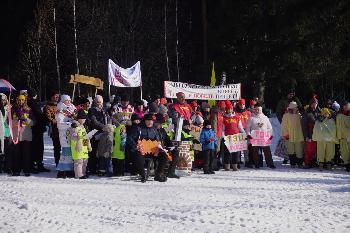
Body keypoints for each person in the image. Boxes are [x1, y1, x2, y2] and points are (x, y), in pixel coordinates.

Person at [126, 113, 167, 183]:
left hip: (152, 150)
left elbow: (158, 139)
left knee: (163, 155)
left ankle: (158, 174)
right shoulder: (138, 128)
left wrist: (160, 145)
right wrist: (135, 146)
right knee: (138, 156)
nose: (150, 122)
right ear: (144, 121)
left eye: (151, 121)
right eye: (148, 120)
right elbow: (129, 138)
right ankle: (143, 174)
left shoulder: (154, 129)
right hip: (141, 150)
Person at [246, 103, 276, 169]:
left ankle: (270, 163)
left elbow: (270, 128)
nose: (257, 111)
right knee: (255, 152)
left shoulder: (265, 118)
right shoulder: (251, 118)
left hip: (264, 138)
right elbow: (247, 128)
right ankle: (257, 164)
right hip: (255, 138)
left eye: (259, 109)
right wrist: (249, 135)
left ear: (261, 110)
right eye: (256, 109)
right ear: (254, 110)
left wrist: (271, 135)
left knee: (267, 151)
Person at [11, 95, 34, 176]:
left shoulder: (29, 110)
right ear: (17, 100)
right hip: (16, 134)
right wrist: (16, 120)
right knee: (16, 153)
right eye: (19, 100)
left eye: (23, 100)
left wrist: (25, 118)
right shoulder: (13, 109)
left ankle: (26, 170)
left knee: (26, 153)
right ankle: (16, 170)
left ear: (25, 100)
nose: (21, 101)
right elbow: (9, 122)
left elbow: (32, 123)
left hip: (26, 134)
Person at [87, 95, 111, 175]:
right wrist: (104, 127)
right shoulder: (91, 110)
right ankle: (92, 169)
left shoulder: (104, 110)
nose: (99, 104)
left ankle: (101, 168)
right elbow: (94, 121)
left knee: (101, 151)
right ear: (94, 102)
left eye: (100, 102)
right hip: (95, 133)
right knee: (93, 152)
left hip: (104, 134)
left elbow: (109, 118)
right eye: (97, 102)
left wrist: (109, 126)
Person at [27, 90, 49, 173]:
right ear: (35, 96)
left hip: (33, 128)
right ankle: (36, 165)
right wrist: (46, 120)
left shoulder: (29, 103)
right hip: (37, 128)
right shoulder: (34, 104)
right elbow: (39, 115)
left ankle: (35, 164)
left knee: (34, 147)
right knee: (38, 147)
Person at [56, 95, 77, 178]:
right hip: (64, 134)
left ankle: (70, 170)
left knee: (71, 154)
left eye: (69, 100)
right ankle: (62, 171)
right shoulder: (60, 110)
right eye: (66, 101)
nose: (68, 102)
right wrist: (70, 124)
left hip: (72, 134)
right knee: (66, 153)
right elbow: (60, 124)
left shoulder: (72, 109)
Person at [154, 114, 180, 179]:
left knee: (176, 152)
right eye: (158, 123)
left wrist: (172, 146)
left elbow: (167, 140)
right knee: (164, 155)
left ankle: (171, 172)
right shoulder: (153, 130)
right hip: (155, 149)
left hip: (162, 147)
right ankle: (159, 173)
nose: (159, 125)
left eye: (160, 123)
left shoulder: (162, 130)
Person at [222, 101, 245, 171]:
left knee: (236, 153)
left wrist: (244, 133)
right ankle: (227, 166)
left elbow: (240, 126)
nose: (229, 110)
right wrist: (223, 137)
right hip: (227, 137)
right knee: (227, 153)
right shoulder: (224, 118)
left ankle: (235, 166)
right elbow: (223, 129)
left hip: (235, 137)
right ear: (226, 109)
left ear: (232, 109)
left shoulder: (237, 117)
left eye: (230, 109)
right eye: (228, 109)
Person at [281, 101, 305, 168]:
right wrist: (286, 134)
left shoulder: (299, 115)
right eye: (294, 108)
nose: (295, 109)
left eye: (296, 108)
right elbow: (284, 126)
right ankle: (293, 163)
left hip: (299, 135)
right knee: (291, 150)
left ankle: (300, 163)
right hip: (289, 136)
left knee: (299, 150)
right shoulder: (286, 115)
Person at [69, 110, 91, 179]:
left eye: (85, 119)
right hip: (77, 147)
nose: (84, 120)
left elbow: (85, 137)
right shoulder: (74, 127)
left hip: (83, 148)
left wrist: (88, 145)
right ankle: (79, 175)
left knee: (85, 161)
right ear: (79, 119)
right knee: (78, 162)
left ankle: (83, 173)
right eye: (83, 119)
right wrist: (77, 139)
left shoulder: (83, 127)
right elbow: (72, 137)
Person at [302, 95, 321, 168]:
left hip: (318, 134)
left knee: (315, 149)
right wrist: (306, 136)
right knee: (309, 149)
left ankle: (313, 162)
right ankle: (307, 162)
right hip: (310, 134)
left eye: (315, 103)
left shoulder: (319, 112)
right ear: (310, 104)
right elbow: (304, 126)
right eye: (313, 103)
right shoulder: (307, 113)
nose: (314, 105)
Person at [44, 91, 61, 166]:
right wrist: (58, 121)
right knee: (57, 147)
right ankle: (57, 163)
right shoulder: (48, 106)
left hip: (64, 130)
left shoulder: (61, 105)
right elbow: (49, 118)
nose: (56, 98)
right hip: (55, 130)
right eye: (55, 96)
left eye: (57, 96)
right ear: (51, 97)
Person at [236, 98, 252, 167]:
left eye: (243, 104)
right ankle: (238, 160)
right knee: (239, 146)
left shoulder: (248, 112)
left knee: (246, 147)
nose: (242, 105)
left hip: (246, 130)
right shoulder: (236, 112)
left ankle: (247, 161)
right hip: (239, 130)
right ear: (238, 105)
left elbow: (251, 122)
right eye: (240, 104)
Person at [336, 102, 350, 172]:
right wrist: (339, 137)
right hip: (343, 137)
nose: (346, 107)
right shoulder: (339, 116)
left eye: (348, 106)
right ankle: (347, 165)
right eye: (345, 106)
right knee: (345, 152)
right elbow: (339, 127)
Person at [0, 93, 12, 174]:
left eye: (4, 100)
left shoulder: (9, 107)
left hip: (8, 131)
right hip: (0, 131)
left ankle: (7, 166)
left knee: (8, 150)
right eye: (1, 100)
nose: (3, 101)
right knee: (1, 150)